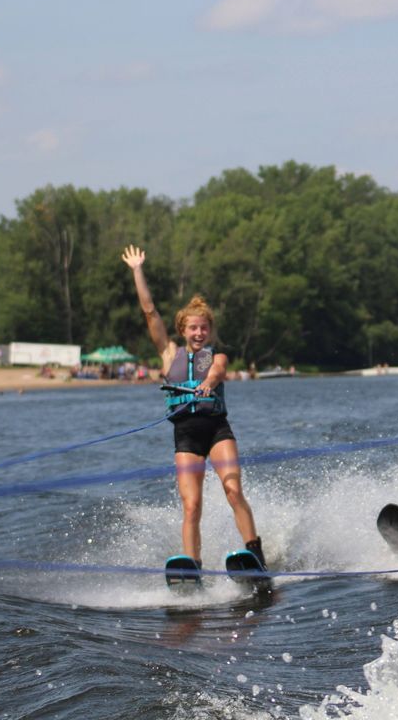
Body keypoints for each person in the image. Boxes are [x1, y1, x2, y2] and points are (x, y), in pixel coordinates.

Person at [122, 244, 266, 570]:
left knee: (232, 490)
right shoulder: (169, 355)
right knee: (191, 505)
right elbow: (149, 312)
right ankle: (193, 566)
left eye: (204, 328)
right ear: (183, 330)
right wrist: (137, 271)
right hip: (185, 434)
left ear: (209, 330)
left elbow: (217, 372)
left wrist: (207, 384)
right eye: (193, 328)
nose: (199, 333)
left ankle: (255, 554)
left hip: (217, 430)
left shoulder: (217, 357)